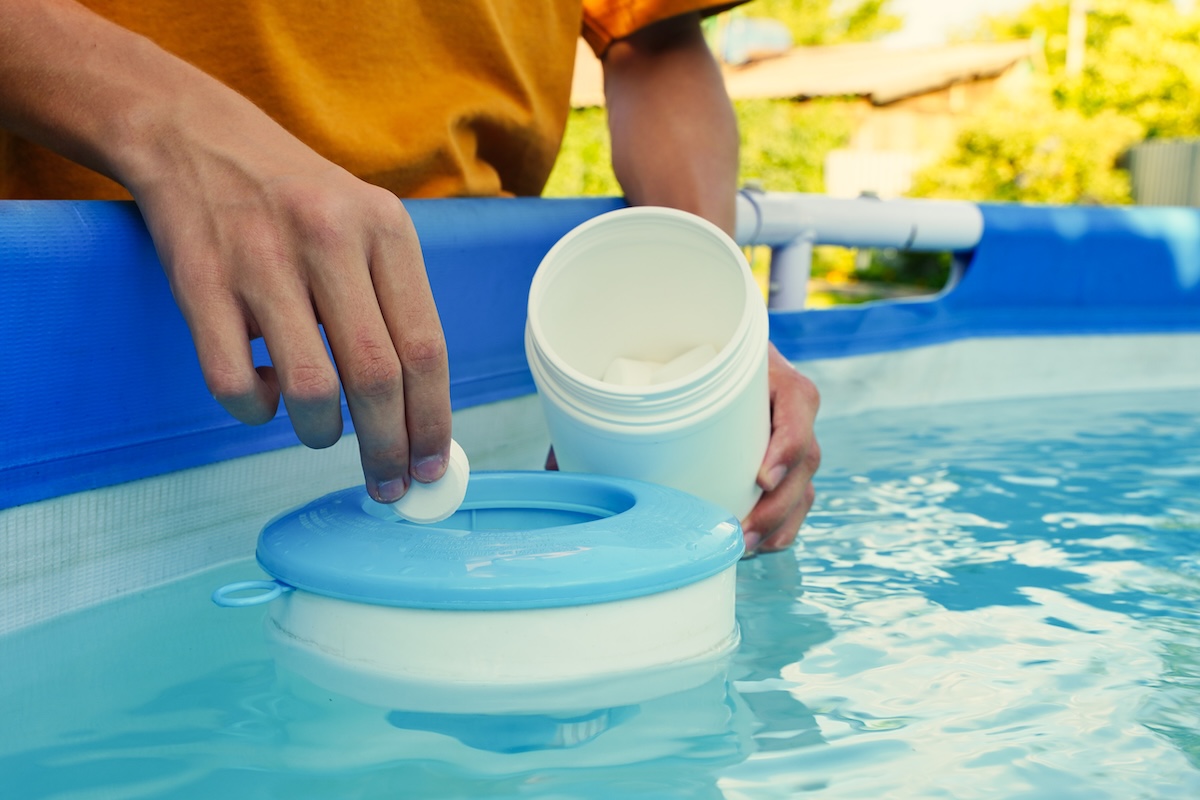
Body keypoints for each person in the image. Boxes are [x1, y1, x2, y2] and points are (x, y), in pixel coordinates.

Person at [0, 0, 820, 554]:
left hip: (475, 353)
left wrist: (717, 337)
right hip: (71, 325)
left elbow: (652, 36)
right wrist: (169, 125)